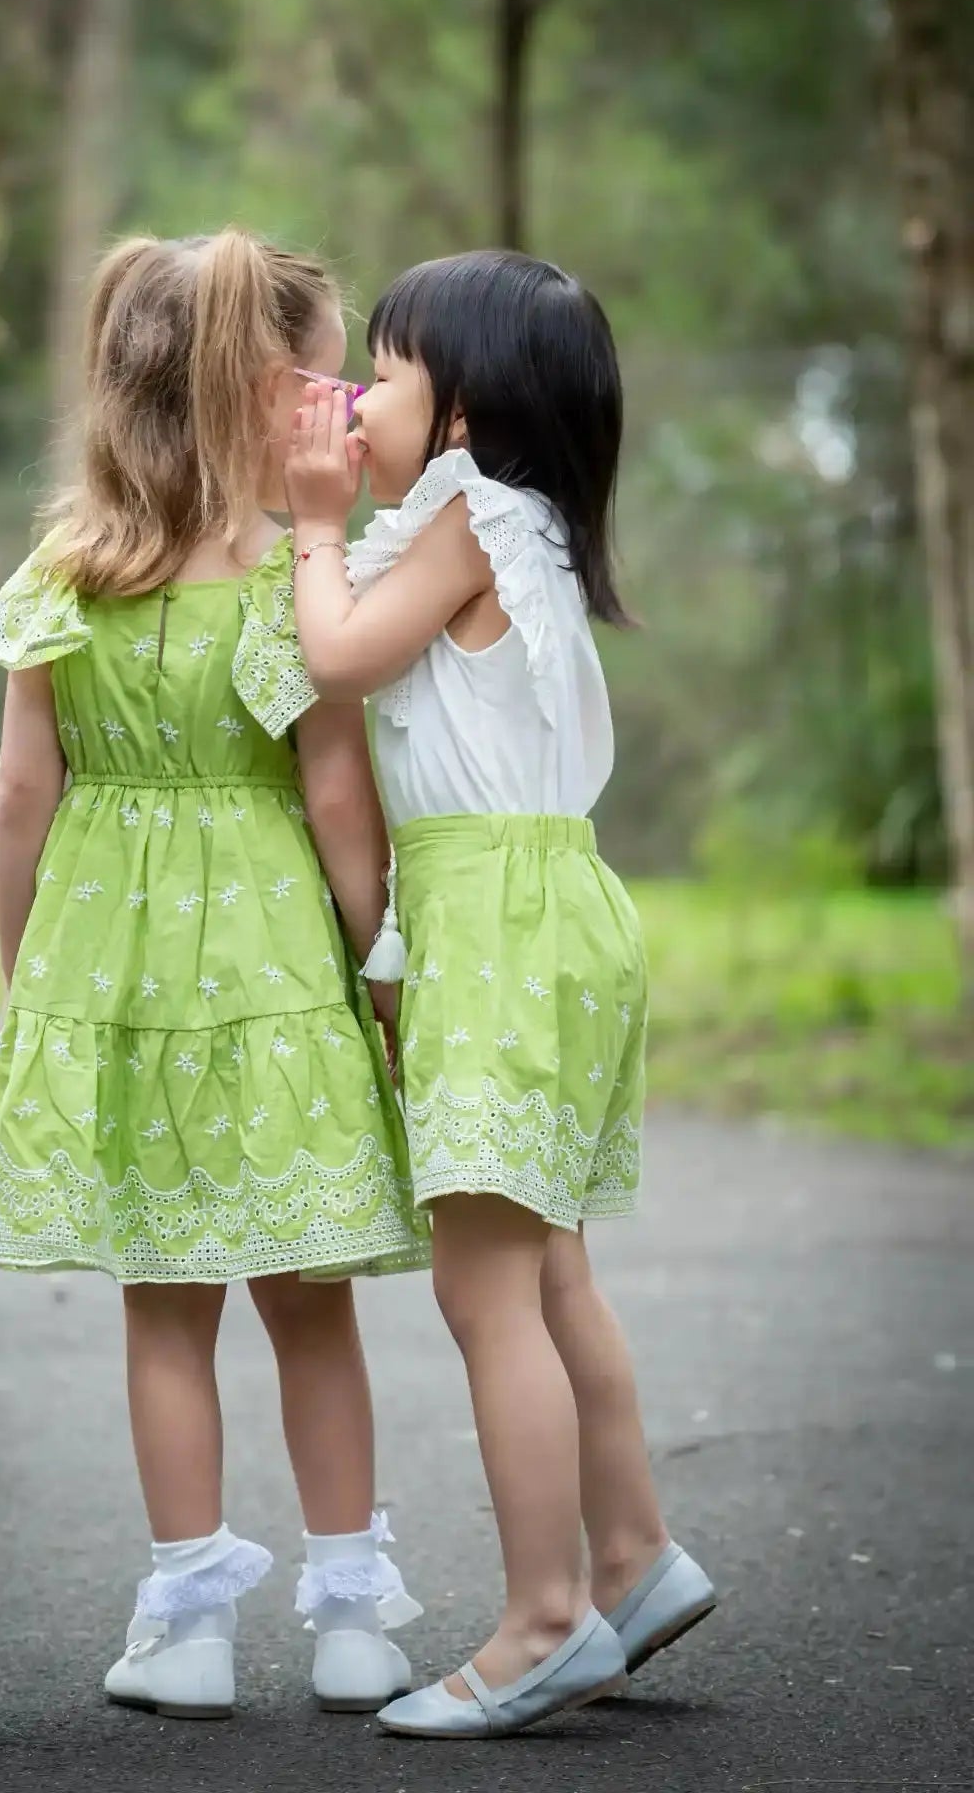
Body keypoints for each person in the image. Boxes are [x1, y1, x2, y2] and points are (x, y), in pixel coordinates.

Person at [0, 228, 428, 1722]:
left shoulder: (65, 572)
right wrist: (384, 971)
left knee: (165, 1302)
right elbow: (341, 801)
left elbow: (20, 803)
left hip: (111, 981)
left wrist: (25, 982)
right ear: (264, 390)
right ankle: (356, 1613)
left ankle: (187, 1630)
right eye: (319, 373)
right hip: (280, 970)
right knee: (311, 1295)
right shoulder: (302, 581)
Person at [282, 249, 716, 1740]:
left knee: (486, 1291)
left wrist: (309, 528)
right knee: (551, 1271)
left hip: (496, 922)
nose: (356, 396)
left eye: (383, 372)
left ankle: (542, 1619)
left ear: (460, 412)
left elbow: (333, 656)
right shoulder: (509, 523)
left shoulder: (463, 517)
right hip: (559, 906)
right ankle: (633, 1556)